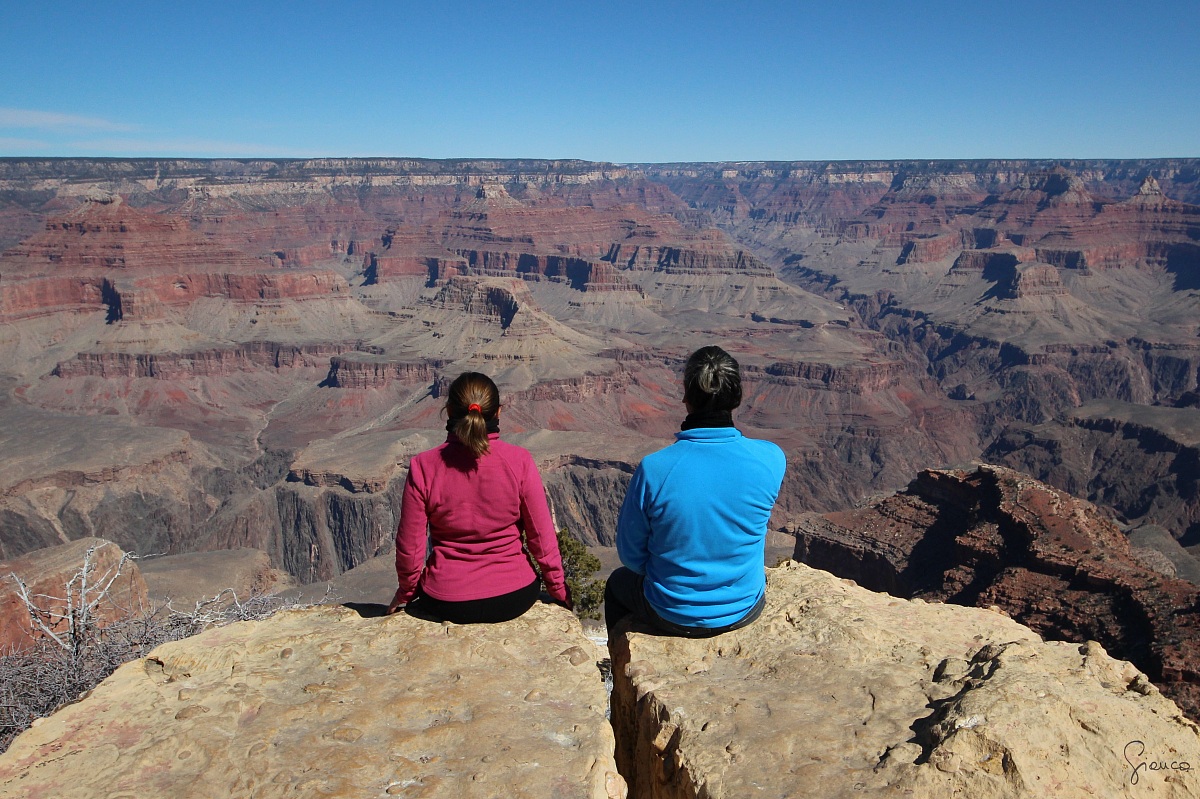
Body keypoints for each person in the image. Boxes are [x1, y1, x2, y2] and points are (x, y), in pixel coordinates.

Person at [605, 345, 786, 637]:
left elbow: (631, 557)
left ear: (686, 397)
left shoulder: (655, 469)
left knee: (616, 584)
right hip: (744, 608)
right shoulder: (771, 459)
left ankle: (618, 669)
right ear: (737, 398)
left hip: (670, 612)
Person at [387, 372, 571, 623]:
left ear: (449, 410)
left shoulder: (424, 467)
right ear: (498, 413)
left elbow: (410, 548)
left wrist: (406, 593)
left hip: (445, 600)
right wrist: (559, 591)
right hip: (514, 596)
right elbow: (542, 537)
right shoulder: (519, 462)